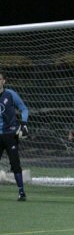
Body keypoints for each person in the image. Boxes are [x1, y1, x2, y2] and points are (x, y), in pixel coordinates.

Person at [0, 71, 29, 201]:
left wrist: (23, 124)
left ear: (4, 81)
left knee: (15, 164)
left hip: (10, 134)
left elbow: (24, 108)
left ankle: (21, 192)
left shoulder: (10, 94)